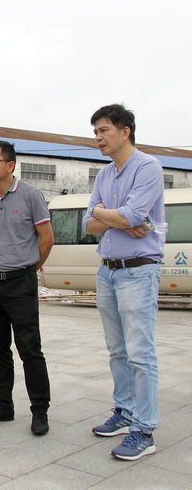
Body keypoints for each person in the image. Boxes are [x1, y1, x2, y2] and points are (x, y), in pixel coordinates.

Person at [84, 104, 164, 461]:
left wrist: (106, 214)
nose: (98, 138)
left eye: (103, 131)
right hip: (108, 269)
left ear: (125, 131)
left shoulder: (148, 167)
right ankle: (124, 412)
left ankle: (144, 430)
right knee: (117, 350)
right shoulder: (104, 175)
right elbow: (88, 224)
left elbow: (133, 216)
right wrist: (111, 217)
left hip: (138, 270)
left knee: (140, 353)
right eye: (95, 132)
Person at [0, 140, 54, 436]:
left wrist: (27, 267)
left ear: (10, 165)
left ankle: (39, 410)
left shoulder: (31, 196)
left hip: (21, 283)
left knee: (30, 348)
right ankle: (3, 404)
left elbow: (47, 239)